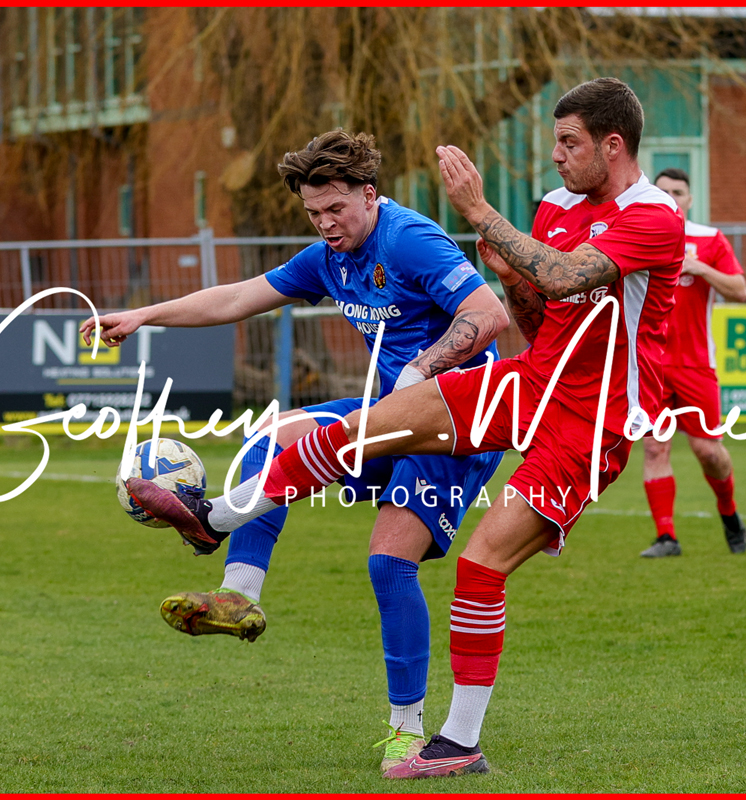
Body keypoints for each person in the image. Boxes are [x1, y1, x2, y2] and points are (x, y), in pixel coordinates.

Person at [126, 78, 684, 779]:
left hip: (590, 420)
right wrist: (513, 279)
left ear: (612, 143)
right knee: (352, 426)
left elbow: (571, 277)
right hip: (529, 380)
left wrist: (481, 216)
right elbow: (543, 316)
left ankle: (456, 742)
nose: (556, 156)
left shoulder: (656, 215)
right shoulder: (556, 206)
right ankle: (217, 520)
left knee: (479, 567)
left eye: (567, 143)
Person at [81, 130, 509, 774]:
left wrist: (421, 371)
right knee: (273, 432)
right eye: (314, 213)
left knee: (388, 566)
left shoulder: (409, 239)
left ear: (371, 194)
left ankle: (407, 737)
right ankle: (237, 593)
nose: (327, 223)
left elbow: (488, 314)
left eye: (337, 209)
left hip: (458, 421)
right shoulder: (328, 258)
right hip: (390, 415)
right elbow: (234, 298)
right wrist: (144, 314)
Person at [638, 168, 746, 558]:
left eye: (678, 192)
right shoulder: (637, 237)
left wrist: (700, 267)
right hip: (648, 365)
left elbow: (740, 290)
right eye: (662, 191)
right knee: (655, 448)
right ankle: (666, 537)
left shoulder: (709, 239)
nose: (671, 197)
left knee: (709, 452)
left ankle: (729, 512)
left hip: (694, 365)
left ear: (689, 199)